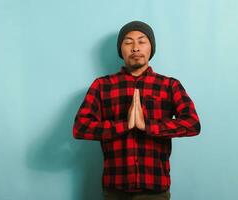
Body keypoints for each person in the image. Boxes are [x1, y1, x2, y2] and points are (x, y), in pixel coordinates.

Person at [72, 20, 201, 200]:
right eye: (128, 42)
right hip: (115, 190)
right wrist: (124, 125)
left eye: (142, 41)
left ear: (151, 48)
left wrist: (147, 126)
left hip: (156, 190)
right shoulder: (102, 85)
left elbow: (193, 124)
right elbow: (80, 127)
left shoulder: (169, 85)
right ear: (121, 50)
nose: (135, 47)